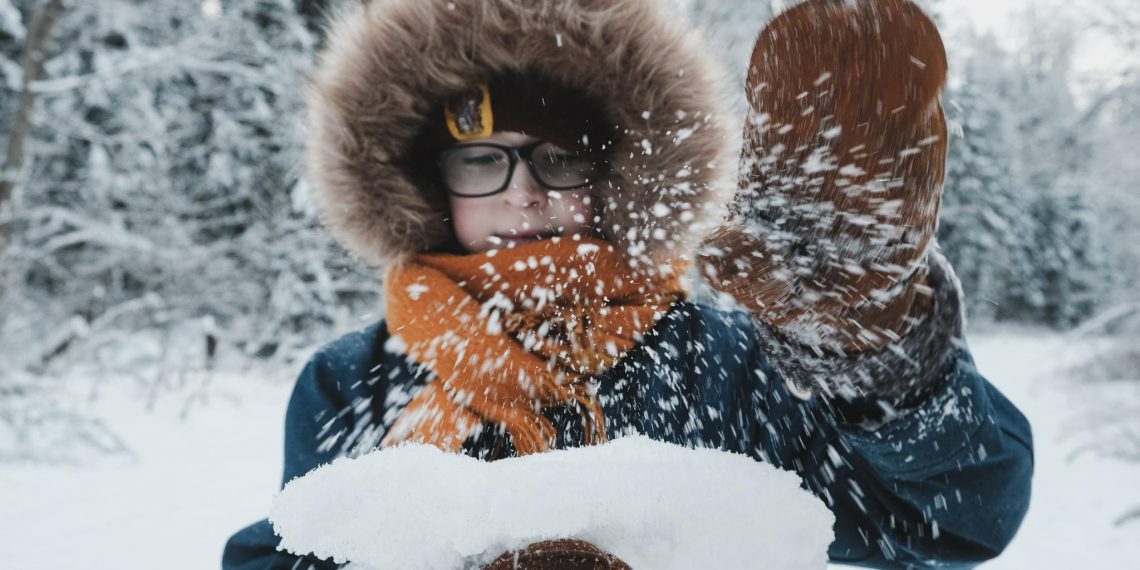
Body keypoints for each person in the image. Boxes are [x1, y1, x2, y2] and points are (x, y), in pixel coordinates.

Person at [223, 0, 1033, 568]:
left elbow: (946, 520)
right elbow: (295, 553)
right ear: (426, 183)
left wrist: (877, 362)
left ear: (614, 179)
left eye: (558, 159)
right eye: (481, 160)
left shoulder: (728, 362)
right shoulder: (351, 379)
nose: (522, 193)